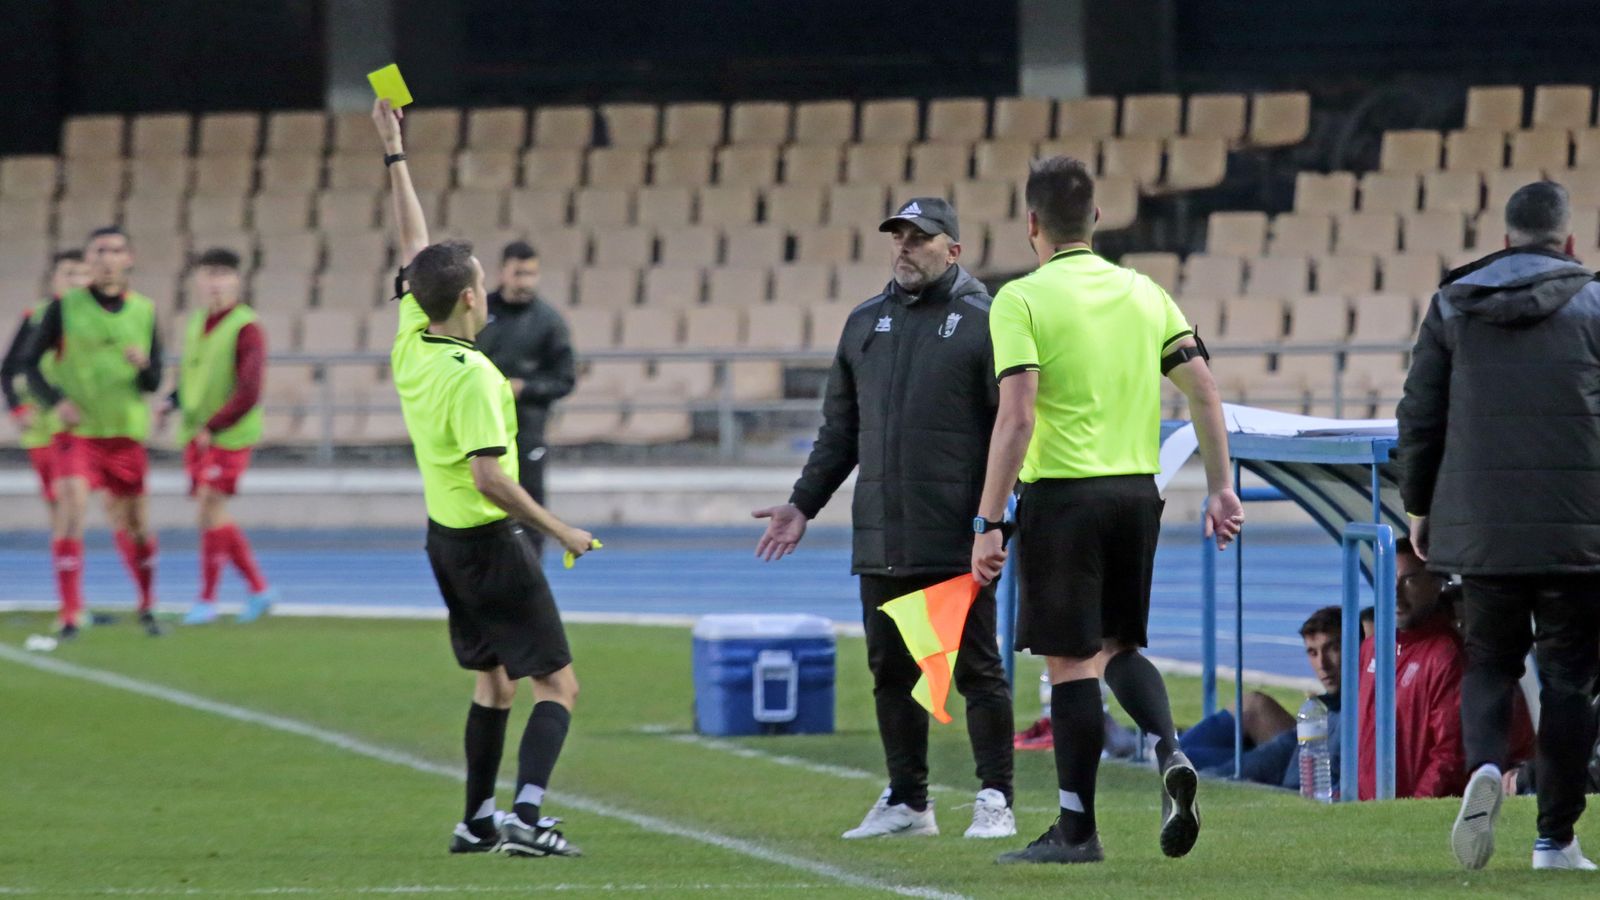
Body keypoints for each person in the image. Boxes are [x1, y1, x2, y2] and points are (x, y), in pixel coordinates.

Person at [971, 156, 1243, 866]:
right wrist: (1220, 488)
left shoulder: (1019, 300)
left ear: (1031, 224)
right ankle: (1167, 747)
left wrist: (989, 519)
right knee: (1120, 646)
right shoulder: (1146, 293)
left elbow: (1018, 415)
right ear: (1096, 218)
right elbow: (1205, 393)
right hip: (1136, 494)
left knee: (1071, 667)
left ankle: (1077, 830)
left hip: (1064, 498)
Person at [753, 196, 1017, 841]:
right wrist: (801, 505)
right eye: (897, 236)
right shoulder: (863, 323)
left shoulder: (987, 322)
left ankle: (995, 799)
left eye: (919, 237)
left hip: (958, 531)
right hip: (882, 530)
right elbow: (839, 433)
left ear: (952, 249)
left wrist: (997, 521)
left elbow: (1014, 431)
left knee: (974, 669)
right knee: (892, 673)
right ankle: (908, 802)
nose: (904, 247)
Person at [373, 97, 595, 858]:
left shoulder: (412, 340)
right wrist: (561, 530)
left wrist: (394, 152)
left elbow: (413, 242)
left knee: (493, 680)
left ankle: (475, 819)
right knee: (557, 686)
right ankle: (529, 820)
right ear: (474, 296)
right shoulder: (477, 377)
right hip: (489, 544)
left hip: (443, 542)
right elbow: (491, 478)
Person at [1399, 180, 1600, 871]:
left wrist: (1419, 507)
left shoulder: (1454, 303)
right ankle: (1555, 840)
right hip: (1580, 532)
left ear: (1505, 239)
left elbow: (1419, 414)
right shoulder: (1597, 302)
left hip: (1481, 530)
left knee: (1489, 662)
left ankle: (1484, 768)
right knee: (1571, 680)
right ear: (1569, 241)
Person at [19, 227, 164, 638]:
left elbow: (153, 382)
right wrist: (54, 401)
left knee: (135, 524)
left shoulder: (145, 312)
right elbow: (29, 364)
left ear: (129, 258)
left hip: (124, 433)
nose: (107, 258)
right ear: (89, 259)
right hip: (78, 433)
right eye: (99, 251)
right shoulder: (64, 308)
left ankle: (148, 604)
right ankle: (69, 613)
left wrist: (144, 366)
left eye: (115, 250)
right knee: (72, 511)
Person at [1355, 539, 1535, 801]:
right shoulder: (1371, 647)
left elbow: (1450, 754)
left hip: (1409, 816)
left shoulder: (1447, 656)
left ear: (1437, 584)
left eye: (1410, 580)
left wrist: (1415, 811)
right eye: (1387, 578)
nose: (1395, 591)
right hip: (1366, 811)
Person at [161, 247, 274, 626]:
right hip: (198, 434)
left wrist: (216, 425)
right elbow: (195, 375)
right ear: (197, 281)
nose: (215, 282)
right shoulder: (196, 322)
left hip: (229, 435)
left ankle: (207, 599)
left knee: (209, 508)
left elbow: (249, 389)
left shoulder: (246, 327)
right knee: (212, 513)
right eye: (209, 274)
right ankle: (259, 589)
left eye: (223, 274)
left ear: (237, 281)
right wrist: (172, 401)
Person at [475, 241, 576, 561]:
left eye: (531, 274)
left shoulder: (548, 322)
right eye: (518, 273)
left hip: (525, 429)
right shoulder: (479, 311)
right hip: (480, 425)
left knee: (529, 506)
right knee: (482, 504)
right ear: (502, 272)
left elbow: (564, 380)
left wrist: (526, 388)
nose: (525, 282)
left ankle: (531, 578)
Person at [1180, 606, 1344, 790]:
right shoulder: (1325, 708)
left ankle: (1165, 750)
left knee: (1188, 763)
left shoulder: (1361, 701)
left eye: (1333, 649)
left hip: (1297, 761)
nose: (1322, 664)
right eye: (1313, 653)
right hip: (1297, 748)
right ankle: (1166, 748)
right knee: (1251, 704)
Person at [3, 250, 91, 526]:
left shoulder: (103, 318)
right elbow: (9, 369)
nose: (76, 281)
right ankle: (64, 556)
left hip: (84, 422)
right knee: (56, 501)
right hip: (42, 424)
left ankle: (71, 556)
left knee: (74, 498)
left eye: (83, 274)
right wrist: (18, 408)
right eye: (69, 274)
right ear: (54, 279)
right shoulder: (37, 316)